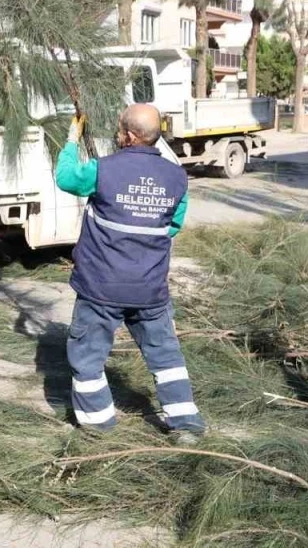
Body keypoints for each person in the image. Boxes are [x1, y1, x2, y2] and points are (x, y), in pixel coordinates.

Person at [54, 105, 205, 444]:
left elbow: (66, 178)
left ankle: (98, 426)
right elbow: (172, 227)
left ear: (129, 135)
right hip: (150, 289)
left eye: (120, 128)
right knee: (165, 355)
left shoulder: (102, 170)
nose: (117, 133)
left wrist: (71, 140)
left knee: (88, 358)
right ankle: (186, 425)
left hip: (100, 290)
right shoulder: (177, 177)